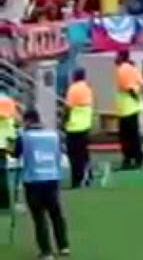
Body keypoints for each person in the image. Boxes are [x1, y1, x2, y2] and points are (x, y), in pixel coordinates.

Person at [14, 109, 70, 259]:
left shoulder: (24, 137)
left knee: (39, 217)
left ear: (27, 121)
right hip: (52, 178)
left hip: (33, 180)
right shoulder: (53, 135)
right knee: (56, 214)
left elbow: (16, 153)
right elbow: (59, 154)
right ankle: (63, 246)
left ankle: (46, 251)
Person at [114, 51, 143, 170]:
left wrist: (134, 96)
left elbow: (128, 88)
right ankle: (137, 157)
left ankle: (130, 159)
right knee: (134, 135)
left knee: (126, 136)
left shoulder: (122, 69)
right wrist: (138, 98)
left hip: (126, 108)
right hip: (134, 107)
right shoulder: (133, 68)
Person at [63, 70, 94, 189]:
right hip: (86, 125)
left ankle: (77, 179)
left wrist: (63, 122)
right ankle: (88, 176)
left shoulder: (73, 89)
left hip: (74, 126)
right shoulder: (87, 88)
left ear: (75, 76)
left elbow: (69, 108)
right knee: (84, 153)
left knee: (74, 156)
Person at [0, 91, 14, 210]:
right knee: (4, 171)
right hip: (8, 140)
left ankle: (3, 202)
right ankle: (6, 201)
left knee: (2, 174)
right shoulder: (8, 100)